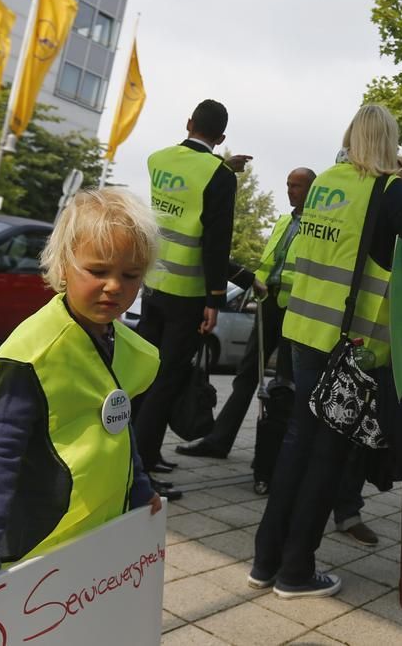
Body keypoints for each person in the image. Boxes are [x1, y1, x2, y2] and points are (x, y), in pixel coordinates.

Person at [0, 189, 162, 603]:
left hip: (84, 531)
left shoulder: (118, 340)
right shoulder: (33, 354)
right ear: (64, 266)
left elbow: (118, 425)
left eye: (131, 275)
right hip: (31, 537)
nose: (113, 287)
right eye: (98, 270)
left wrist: (139, 486)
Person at [251, 104, 402, 599]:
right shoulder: (387, 190)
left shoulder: (324, 183)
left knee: (297, 444)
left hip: (303, 331)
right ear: (388, 143)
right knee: (327, 454)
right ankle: (295, 571)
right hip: (347, 345)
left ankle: (265, 560)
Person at [133, 99, 242, 502]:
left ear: (189, 123)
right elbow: (216, 243)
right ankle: (141, 469)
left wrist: (223, 171)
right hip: (189, 293)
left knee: (144, 376)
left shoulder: (158, 159)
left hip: (154, 285)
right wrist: (215, 298)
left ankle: (144, 454)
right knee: (166, 381)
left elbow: (186, 190)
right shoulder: (219, 175)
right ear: (222, 138)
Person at [174, 168, 314, 463]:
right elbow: (268, 264)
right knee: (246, 374)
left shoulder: (317, 228)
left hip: (296, 309)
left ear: (312, 190)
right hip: (268, 303)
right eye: (288, 184)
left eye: (297, 186)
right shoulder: (284, 221)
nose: (290, 190)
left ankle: (273, 455)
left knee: (284, 383)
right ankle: (218, 440)